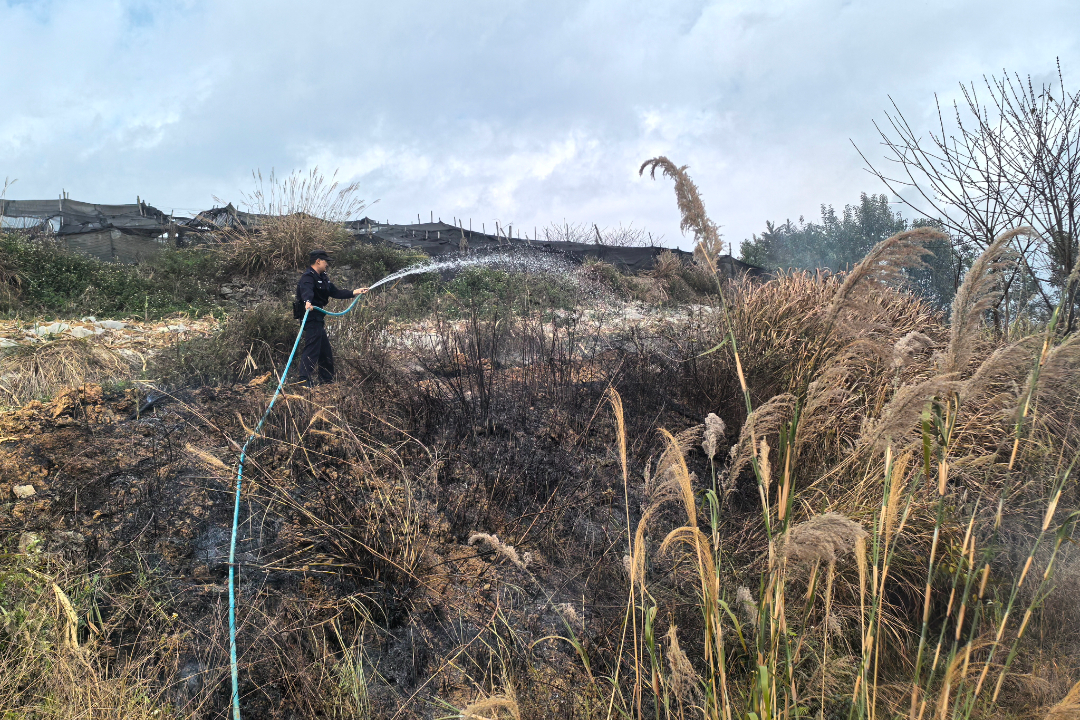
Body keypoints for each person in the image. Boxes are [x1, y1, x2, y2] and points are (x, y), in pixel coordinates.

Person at [295, 249, 368, 386]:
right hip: (310, 315)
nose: (327, 264)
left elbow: (335, 292)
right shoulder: (308, 277)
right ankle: (303, 380)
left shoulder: (323, 277)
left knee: (324, 350)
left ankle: (326, 380)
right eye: (325, 261)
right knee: (312, 348)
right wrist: (307, 302)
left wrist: (354, 292)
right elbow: (306, 291)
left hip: (318, 316)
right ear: (318, 261)